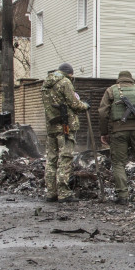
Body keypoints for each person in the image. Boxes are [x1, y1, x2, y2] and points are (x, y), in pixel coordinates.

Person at [98, 70, 135, 204]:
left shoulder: (111, 91)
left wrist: (103, 133)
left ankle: (123, 195)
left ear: (119, 80)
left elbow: (103, 113)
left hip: (118, 131)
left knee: (118, 163)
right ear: (131, 79)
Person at [41, 63, 89, 203]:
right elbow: (74, 103)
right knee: (65, 158)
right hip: (65, 126)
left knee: (51, 159)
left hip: (51, 126)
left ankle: (51, 192)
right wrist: (85, 105)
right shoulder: (64, 82)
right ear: (69, 74)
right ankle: (63, 192)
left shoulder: (46, 84)